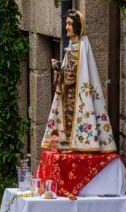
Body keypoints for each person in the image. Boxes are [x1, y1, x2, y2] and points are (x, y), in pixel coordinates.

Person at [40, 9, 117, 153]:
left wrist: (64, 73)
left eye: (69, 24)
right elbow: (65, 77)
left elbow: (77, 76)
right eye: (66, 24)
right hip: (68, 95)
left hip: (78, 95)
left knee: (75, 116)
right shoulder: (71, 48)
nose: (66, 27)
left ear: (77, 27)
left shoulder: (82, 48)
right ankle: (68, 142)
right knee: (67, 118)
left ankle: (80, 144)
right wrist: (58, 70)